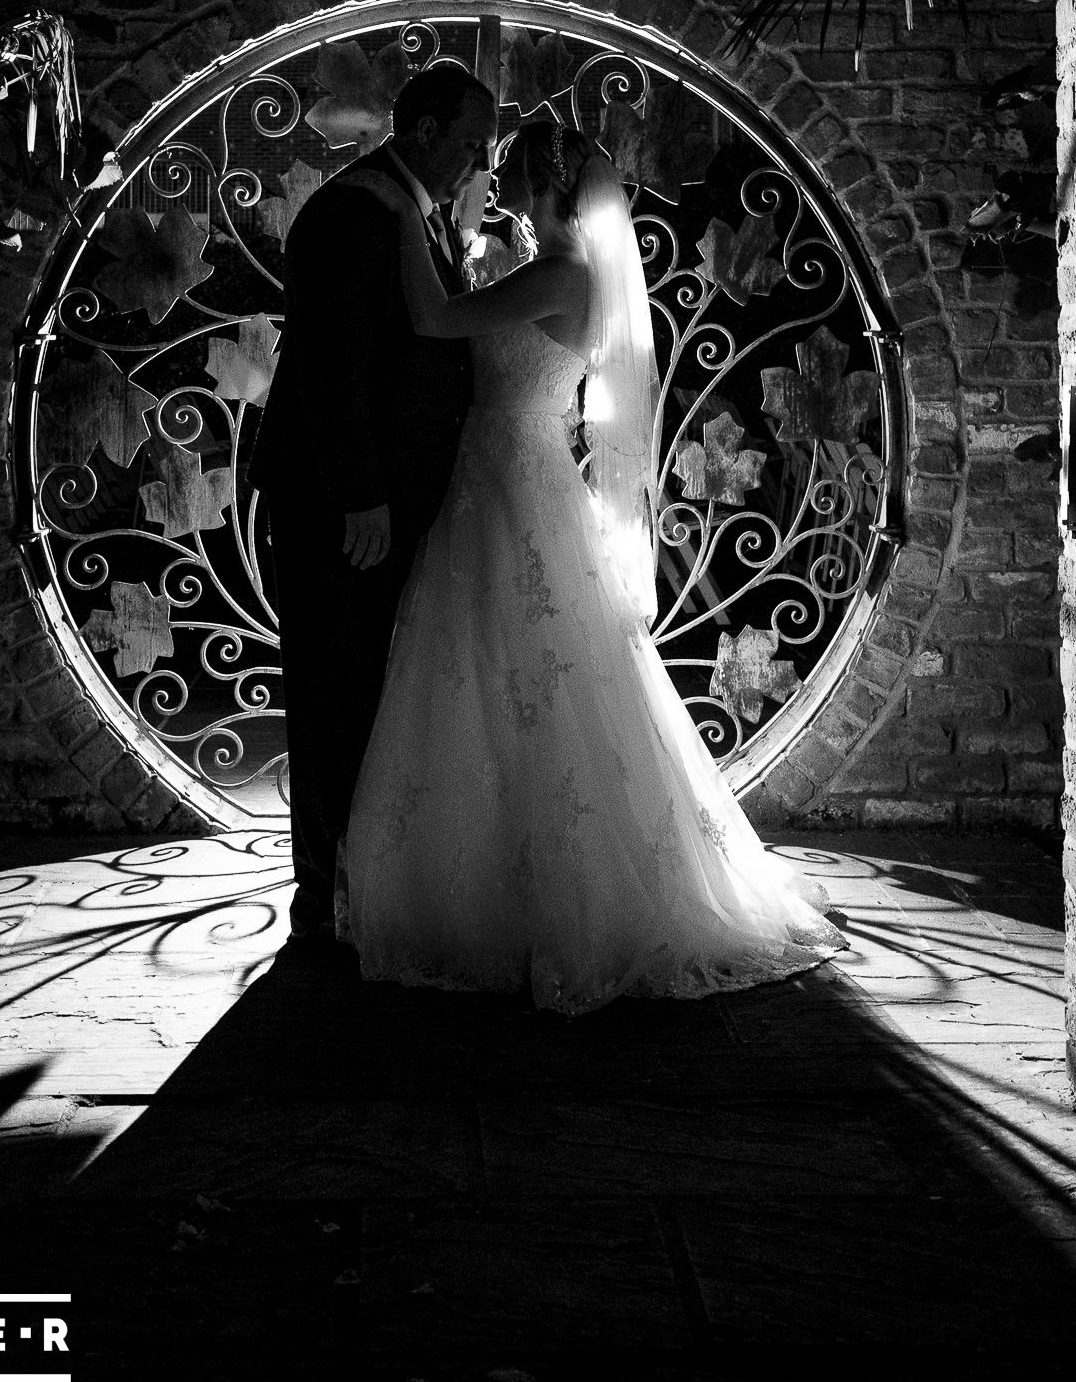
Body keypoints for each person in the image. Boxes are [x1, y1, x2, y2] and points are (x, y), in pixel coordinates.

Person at [336, 119, 847, 1014]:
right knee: (497, 673)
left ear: (542, 183)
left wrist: (395, 206)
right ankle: (500, 884)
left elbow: (436, 318)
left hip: (511, 477)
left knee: (512, 670)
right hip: (507, 474)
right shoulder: (560, 267)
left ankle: (534, 902)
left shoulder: (564, 271)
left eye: (507, 172)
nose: (494, 183)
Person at [247, 61, 499, 938]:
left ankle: (360, 875)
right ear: (424, 129)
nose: (478, 163)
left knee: (364, 682)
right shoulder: (356, 209)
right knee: (333, 682)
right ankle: (322, 893)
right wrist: (360, 494)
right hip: (342, 500)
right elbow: (332, 364)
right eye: (470, 142)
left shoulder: (406, 208)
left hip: (389, 495)